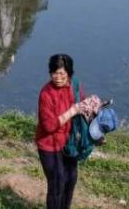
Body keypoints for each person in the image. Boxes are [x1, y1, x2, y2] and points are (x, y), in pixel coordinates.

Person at [35, 53, 85, 209]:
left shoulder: (74, 86)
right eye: (54, 73)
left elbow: (83, 105)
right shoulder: (46, 94)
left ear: (69, 73)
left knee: (70, 180)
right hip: (49, 145)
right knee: (57, 182)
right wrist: (71, 112)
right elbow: (49, 126)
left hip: (69, 143)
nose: (57, 77)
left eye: (62, 73)